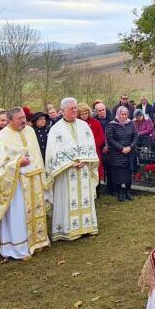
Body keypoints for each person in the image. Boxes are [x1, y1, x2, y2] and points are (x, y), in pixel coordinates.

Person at [0, 107, 50, 260]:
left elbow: (37, 155)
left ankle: (38, 241)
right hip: (16, 183)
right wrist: (17, 163)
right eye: (19, 118)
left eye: (24, 117)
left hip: (34, 179)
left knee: (35, 210)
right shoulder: (1, 137)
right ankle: (18, 246)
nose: (24, 121)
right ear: (10, 120)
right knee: (19, 214)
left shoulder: (30, 131)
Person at [44, 97, 100, 241]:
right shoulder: (55, 130)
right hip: (66, 172)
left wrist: (84, 159)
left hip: (84, 169)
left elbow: (90, 145)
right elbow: (53, 152)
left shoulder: (84, 126)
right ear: (62, 111)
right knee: (68, 199)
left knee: (85, 197)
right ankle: (68, 230)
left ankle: (87, 227)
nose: (75, 111)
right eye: (71, 109)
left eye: (76, 108)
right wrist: (70, 162)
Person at [106, 106, 139, 201]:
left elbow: (135, 136)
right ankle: (120, 193)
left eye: (125, 114)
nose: (124, 116)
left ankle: (128, 192)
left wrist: (130, 147)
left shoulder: (131, 123)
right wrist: (121, 148)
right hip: (117, 154)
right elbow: (110, 139)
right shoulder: (111, 125)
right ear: (118, 114)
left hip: (130, 152)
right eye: (122, 114)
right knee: (119, 174)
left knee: (129, 173)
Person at [78, 103, 106, 192]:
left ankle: (97, 191)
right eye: (82, 114)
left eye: (86, 113)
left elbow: (101, 137)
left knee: (95, 171)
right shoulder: (77, 124)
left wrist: (91, 146)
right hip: (81, 153)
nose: (84, 115)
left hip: (94, 151)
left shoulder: (95, 122)